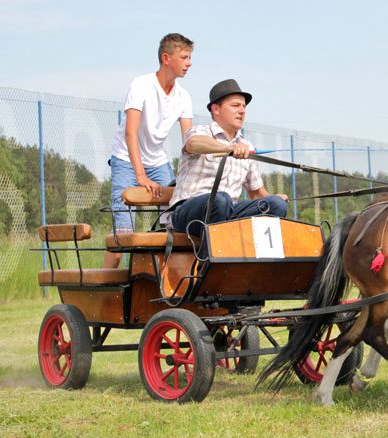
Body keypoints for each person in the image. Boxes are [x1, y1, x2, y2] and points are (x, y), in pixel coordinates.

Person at [104, 33, 195, 268]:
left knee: (177, 216)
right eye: (184, 57)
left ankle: (170, 279)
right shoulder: (141, 85)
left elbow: (190, 141)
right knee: (122, 232)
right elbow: (130, 134)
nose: (189, 63)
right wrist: (141, 176)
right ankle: (103, 291)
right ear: (166, 58)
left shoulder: (184, 97)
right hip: (125, 159)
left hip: (158, 162)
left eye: (190, 57)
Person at [169, 79, 288, 236]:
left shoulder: (247, 146)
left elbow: (257, 193)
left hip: (227, 213)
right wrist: (228, 149)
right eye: (235, 106)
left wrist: (276, 198)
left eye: (244, 106)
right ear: (215, 109)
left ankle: (258, 260)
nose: (242, 111)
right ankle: (210, 259)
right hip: (187, 212)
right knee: (220, 199)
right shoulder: (200, 131)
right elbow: (193, 143)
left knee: (276, 205)